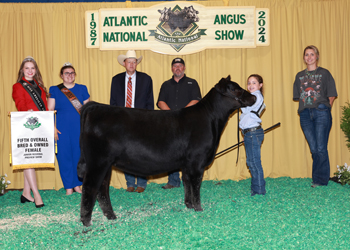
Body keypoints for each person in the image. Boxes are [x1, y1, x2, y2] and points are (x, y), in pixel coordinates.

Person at [293, 45, 337, 187]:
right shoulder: (299, 76)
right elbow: (297, 96)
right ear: (304, 58)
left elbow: (332, 94)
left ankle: (320, 180)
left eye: (312, 54)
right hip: (305, 114)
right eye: (307, 54)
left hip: (321, 112)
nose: (309, 57)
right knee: (314, 148)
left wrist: (325, 108)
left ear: (317, 57)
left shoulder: (325, 73)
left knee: (321, 148)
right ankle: (318, 177)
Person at [110, 50, 154, 193]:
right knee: (125, 152)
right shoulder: (116, 80)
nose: (131, 64)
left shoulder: (146, 79)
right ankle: (130, 183)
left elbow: (150, 102)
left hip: (141, 120)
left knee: (142, 152)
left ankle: (141, 183)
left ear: (137, 63)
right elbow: (113, 103)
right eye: (129, 61)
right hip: (123, 121)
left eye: (134, 62)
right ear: (124, 63)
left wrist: (148, 120)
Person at [157, 57, 202, 189]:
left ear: (184, 68)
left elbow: (196, 100)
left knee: (188, 151)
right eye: (175, 66)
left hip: (188, 122)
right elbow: (160, 102)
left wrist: (181, 113)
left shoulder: (192, 83)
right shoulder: (166, 84)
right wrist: (172, 115)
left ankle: (187, 180)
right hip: (169, 122)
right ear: (172, 68)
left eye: (180, 65)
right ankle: (173, 181)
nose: (177, 68)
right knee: (171, 151)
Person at [47, 63, 90, 195]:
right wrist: (53, 127)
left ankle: (77, 185)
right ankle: (68, 187)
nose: (70, 75)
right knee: (64, 157)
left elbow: (88, 111)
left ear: (75, 75)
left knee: (78, 156)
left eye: (72, 73)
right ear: (61, 76)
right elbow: (49, 110)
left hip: (79, 128)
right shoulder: (55, 89)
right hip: (61, 128)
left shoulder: (82, 88)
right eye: (66, 73)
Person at [12, 56, 46, 208]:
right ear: (22, 70)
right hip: (26, 125)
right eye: (27, 68)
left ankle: (26, 193)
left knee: (31, 157)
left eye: (33, 68)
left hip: (39, 125)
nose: (30, 71)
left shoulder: (40, 85)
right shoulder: (18, 86)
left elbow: (44, 105)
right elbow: (20, 105)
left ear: (36, 70)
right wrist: (28, 111)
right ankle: (37, 195)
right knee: (28, 158)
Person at [239, 74, 266, 196]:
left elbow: (244, 107)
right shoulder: (253, 96)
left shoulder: (256, 96)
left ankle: (259, 190)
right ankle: (256, 188)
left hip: (253, 132)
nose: (250, 85)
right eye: (249, 83)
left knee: (254, 162)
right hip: (250, 133)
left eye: (254, 83)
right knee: (251, 162)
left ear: (260, 85)